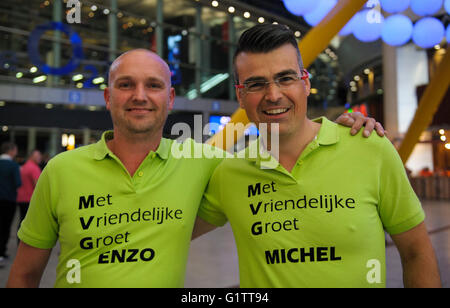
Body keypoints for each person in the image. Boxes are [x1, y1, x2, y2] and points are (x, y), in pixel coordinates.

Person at [7, 49, 383, 288]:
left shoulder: (204, 162)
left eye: (153, 85)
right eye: (126, 85)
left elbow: (284, 143)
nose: (140, 95)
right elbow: (24, 275)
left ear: (169, 99)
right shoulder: (61, 170)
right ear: (108, 97)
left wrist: (344, 125)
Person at [194, 24, 441, 288]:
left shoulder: (370, 148)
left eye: (286, 78)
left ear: (306, 83)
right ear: (240, 96)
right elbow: (165, 231)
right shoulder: (230, 174)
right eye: (256, 84)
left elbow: (416, 252)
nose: (274, 95)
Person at [0, 142, 21, 267]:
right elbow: (18, 183)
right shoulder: (13, 166)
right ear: (11, 151)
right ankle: (1, 252)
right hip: (8, 200)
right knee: (5, 226)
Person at [16, 150, 42, 227]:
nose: (40, 158)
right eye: (37, 156)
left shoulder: (24, 166)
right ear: (31, 156)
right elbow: (38, 185)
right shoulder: (34, 168)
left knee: (22, 220)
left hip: (21, 198)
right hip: (30, 199)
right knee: (29, 223)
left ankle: (19, 238)